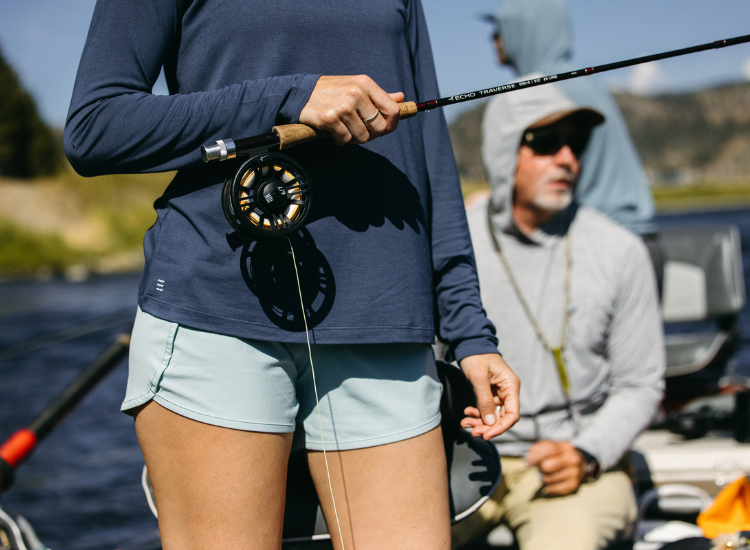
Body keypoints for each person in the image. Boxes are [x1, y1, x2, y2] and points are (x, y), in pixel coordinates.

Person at [63, 1, 521, 549]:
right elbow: (95, 128)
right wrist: (287, 98)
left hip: (386, 320)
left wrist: (469, 330)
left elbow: (430, 156)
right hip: (215, 314)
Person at [454, 82, 665, 550]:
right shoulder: (450, 246)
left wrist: (588, 453)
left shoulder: (620, 251)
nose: (568, 158)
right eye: (546, 143)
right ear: (504, 149)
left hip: (574, 469)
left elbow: (641, 384)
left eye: (577, 143)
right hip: (458, 461)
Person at [483, 0, 665, 293]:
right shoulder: (584, 83)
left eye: (500, 27)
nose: (494, 38)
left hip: (607, 254)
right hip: (645, 243)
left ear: (524, 29)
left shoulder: (543, 92)